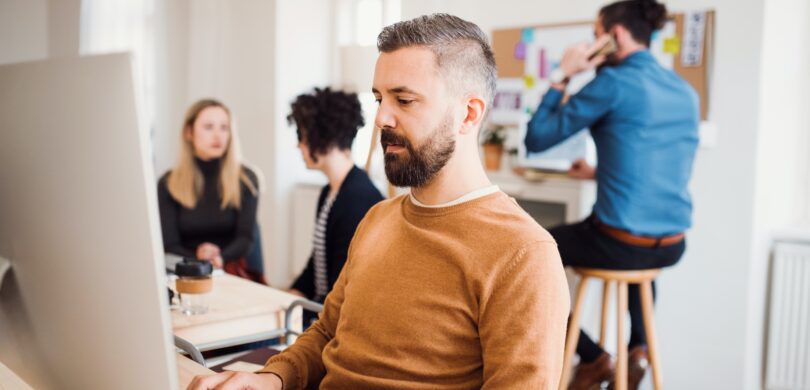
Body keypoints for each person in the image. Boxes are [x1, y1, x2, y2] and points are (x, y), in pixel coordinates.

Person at [189, 13, 569, 390]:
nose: (381, 118)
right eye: (378, 99)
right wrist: (272, 379)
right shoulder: (377, 219)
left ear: (467, 114)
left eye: (404, 100)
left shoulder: (522, 253)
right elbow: (326, 333)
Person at [524, 0, 699, 389]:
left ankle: (594, 357)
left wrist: (562, 75)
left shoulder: (613, 84)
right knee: (638, 239)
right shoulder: (683, 90)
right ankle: (638, 350)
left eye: (595, 35)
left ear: (613, 36)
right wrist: (599, 173)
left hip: (619, 243)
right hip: (671, 244)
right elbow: (655, 166)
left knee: (527, 254)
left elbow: (537, 138)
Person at [286, 87, 384, 325]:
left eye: (301, 135)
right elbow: (318, 262)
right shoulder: (330, 192)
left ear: (322, 137)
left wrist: (297, 313)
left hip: (339, 324)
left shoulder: (357, 199)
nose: (299, 146)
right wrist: (292, 294)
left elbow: (342, 290)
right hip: (321, 313)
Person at [158, 99, 264, 283]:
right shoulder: (168, 183)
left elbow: (246, 238)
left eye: (224, 127)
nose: (218, 135)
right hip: (185, 270)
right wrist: (198, 255)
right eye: (208, 127)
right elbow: (169, 243)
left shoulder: (247, 179)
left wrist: (218, 258)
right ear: (189, 132)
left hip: (231, 270)